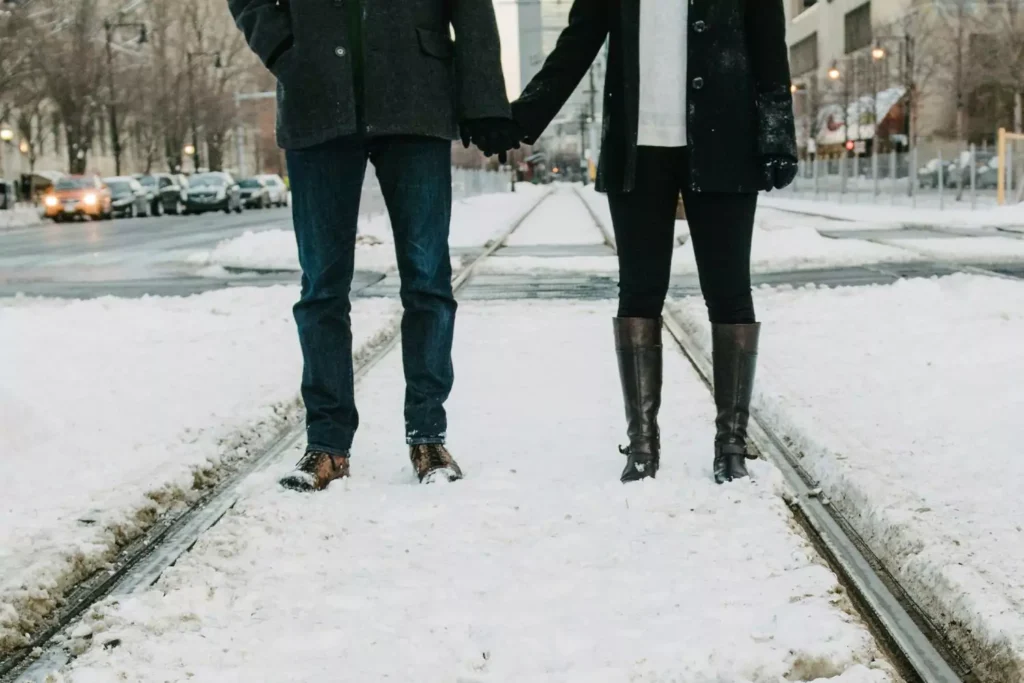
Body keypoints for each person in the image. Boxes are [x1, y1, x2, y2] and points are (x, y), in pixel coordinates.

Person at [229, 0, 522, 491]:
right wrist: (286, 49)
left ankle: (428, 436)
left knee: (428, 279)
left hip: (416, 94)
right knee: (322, 286)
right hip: (316, 97)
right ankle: (326, 445)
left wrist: (484, 99)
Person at [509, 0, 798, 484]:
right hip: (637, 151)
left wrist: (776, 134)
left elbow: (769, 46)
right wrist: (520, 118)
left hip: (725, 141)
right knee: (639, 291)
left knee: (729, 292)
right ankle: (642, 444)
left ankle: (731, 444)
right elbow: (577, 43)